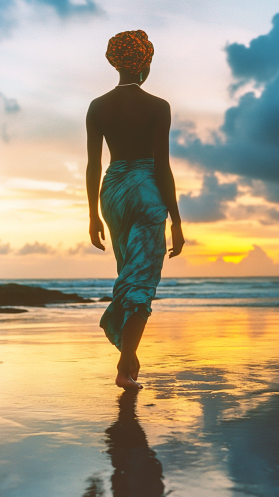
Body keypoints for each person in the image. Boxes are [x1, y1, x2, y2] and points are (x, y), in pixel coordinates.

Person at [86, 29, 184, 390]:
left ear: (115, 62)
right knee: (140, 280)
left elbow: (93, 166)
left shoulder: (97, 107)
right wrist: (175, 219)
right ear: (144, 62)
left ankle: (128, 353)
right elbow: (162, 167)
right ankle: (125, 366)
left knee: (129, 272)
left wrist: (93, 214)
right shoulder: (158, 106)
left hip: (112, 193)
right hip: (145, 191)